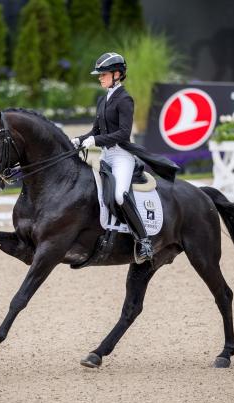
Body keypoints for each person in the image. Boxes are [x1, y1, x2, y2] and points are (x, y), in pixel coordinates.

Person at [71, 52, 180, 264]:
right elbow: (95, 130)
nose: (100, 78)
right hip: (105, 156)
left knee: (120, 195)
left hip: (121, 156)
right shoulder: (103, 100)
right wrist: (78, 140)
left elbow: (123, 133)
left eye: (103, 74)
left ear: (117, 74)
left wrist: (95, 141)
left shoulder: (125, 99)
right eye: (99, 74)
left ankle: (144, 240)